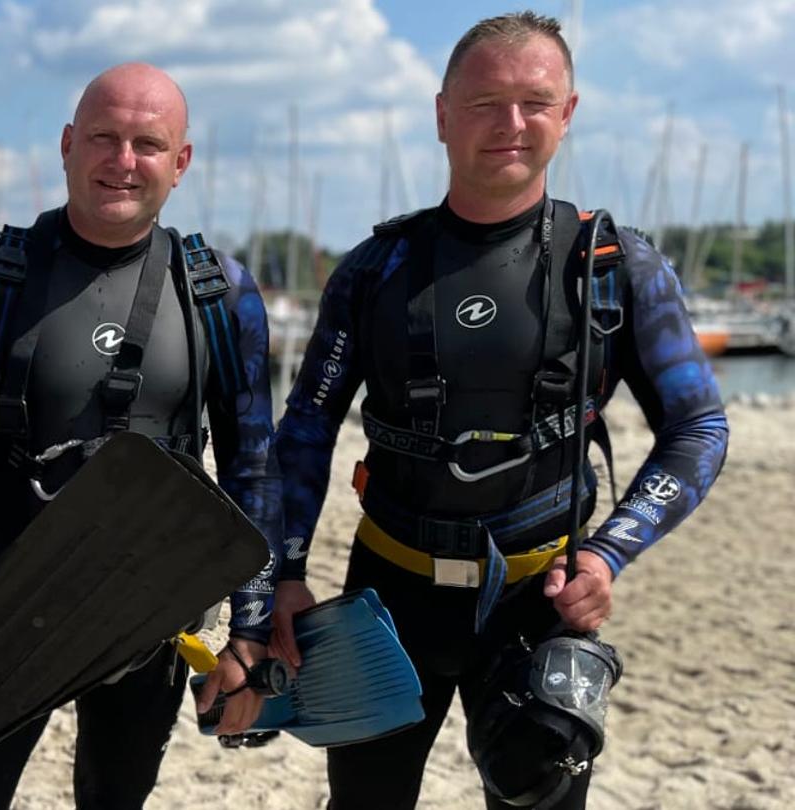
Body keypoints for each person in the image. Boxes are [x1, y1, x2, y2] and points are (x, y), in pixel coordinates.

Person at [272, 13, 729, 809]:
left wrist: (607, 556)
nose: (510, 124)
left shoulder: (617, 267)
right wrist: (283, 573)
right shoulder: (374, 270)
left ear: (568, 113)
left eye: (534, 101)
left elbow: (698, 428)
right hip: (389, 598)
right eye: (485, 102)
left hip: (540, 599)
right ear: (443, 113)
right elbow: (306, 430)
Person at [0, 62, 283, 810]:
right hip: (3, 610)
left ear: (181, 162)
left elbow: (253, 461)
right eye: (103, 137)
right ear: (68, 144)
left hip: (152, 618)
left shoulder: (218, 296)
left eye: (147, 143)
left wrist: (252, 628)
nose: (123, 161)